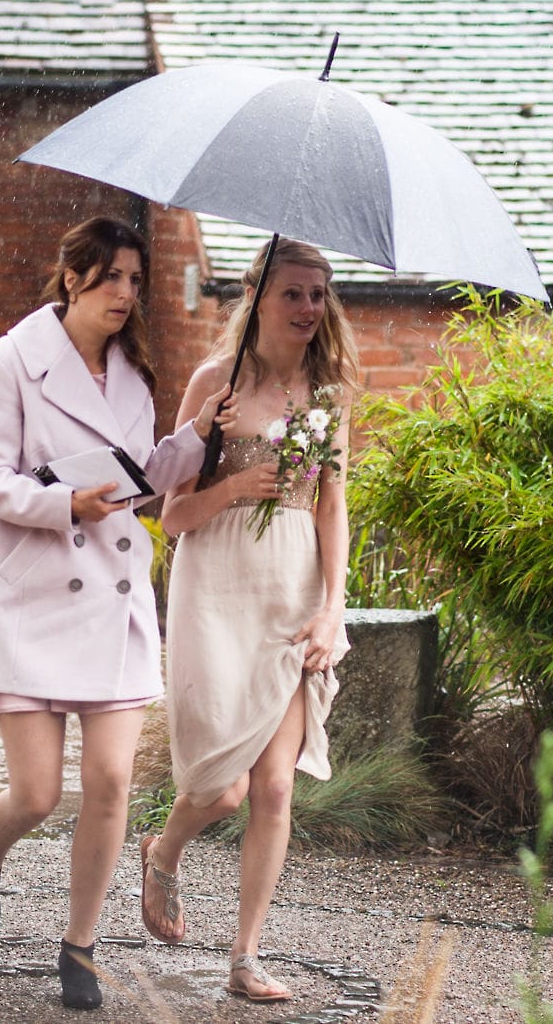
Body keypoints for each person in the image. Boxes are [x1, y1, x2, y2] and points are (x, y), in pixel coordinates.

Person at [0, 216, 235, 1011]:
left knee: (111, 780)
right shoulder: (9, 361)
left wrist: (197, 438)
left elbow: (141, 482)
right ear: (72, 276)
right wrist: (58, 502)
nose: (126, 293)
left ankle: (78, 944)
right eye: (112, 276)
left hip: (112, 597)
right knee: (37, 794)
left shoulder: (132, 375)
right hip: (33, 594)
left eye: (136, 280)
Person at [140, 238, 358, 1003]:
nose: (309, 308)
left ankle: (245, 955)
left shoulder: (327, 396)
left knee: (272, 790)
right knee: (224, 789)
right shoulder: (215, 382)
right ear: (258, 296)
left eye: (319, 293)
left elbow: (333, 507)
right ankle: (163, 851)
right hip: (217, 584)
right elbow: (172, 516)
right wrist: (238, 488)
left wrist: (333, 607)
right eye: (294, 292)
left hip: (292, 591)